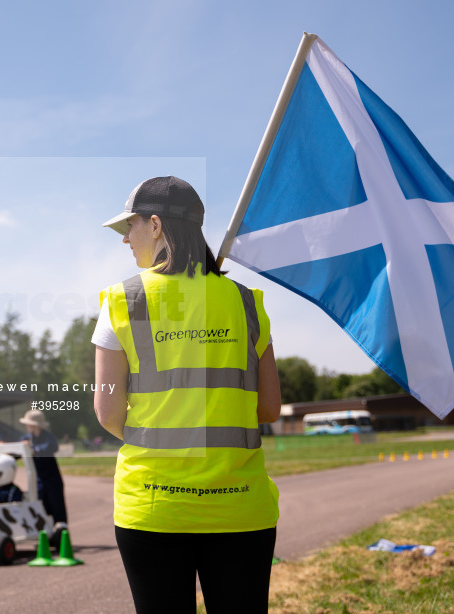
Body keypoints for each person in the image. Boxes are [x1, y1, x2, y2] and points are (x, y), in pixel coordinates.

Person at [93, 176, 281, 613]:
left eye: (130, 228)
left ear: (156, 225)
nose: (126, 241)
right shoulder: (247, 302)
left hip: (153, 507)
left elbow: (107, 410)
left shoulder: (123, 300)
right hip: (240, 506)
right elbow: (269, 407)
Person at [19, 410, 68, 529]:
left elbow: (51, 448)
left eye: (28, 423)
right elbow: (18, 451)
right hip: (38, 479)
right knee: (40, 506)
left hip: (52, 478)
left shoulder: (48, 437)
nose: (26, 426)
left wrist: (32, 449)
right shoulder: (26, 438)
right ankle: (45, 534)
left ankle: (60, 534)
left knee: (56, 506)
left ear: (34, 425)